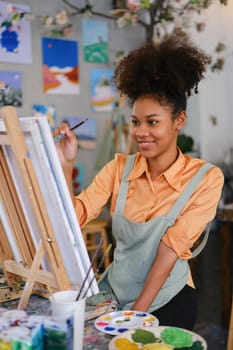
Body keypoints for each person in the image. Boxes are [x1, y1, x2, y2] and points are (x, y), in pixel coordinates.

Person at [54, 34, 224, 330]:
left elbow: (169, 251)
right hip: (114, 295)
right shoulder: (119, 167)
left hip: (168, 300)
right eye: (135, 121)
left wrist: (135, 316)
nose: (141, 132)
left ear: (179, 121)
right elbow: (76, 216)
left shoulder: (205, 178)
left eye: (152, 121)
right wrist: (66, 164)